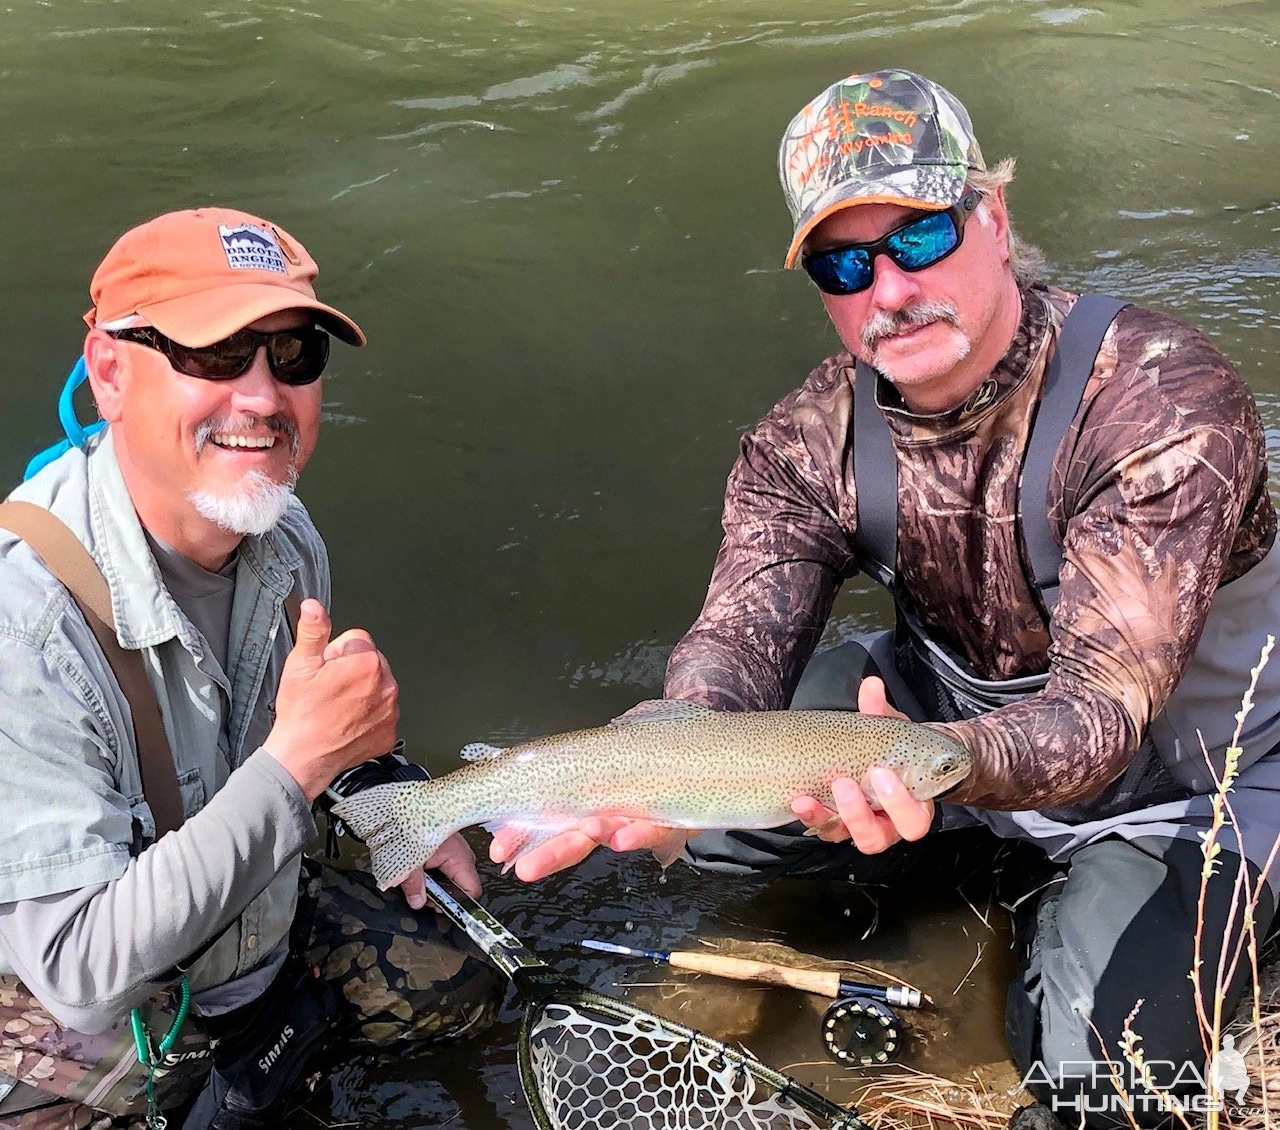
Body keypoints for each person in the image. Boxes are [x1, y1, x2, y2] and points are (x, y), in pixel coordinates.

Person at [491, 70, 1280, 1129]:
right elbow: (733, 645)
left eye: (916, 238)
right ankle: (947, 860)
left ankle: (1101, 906)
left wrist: (933, 764)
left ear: (991, 220)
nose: (888, 290)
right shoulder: (802, 441)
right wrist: (656, 756)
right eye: (842, 262)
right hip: (932, 751)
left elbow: (1101, 716)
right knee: (716, 826)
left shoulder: (1154, 399)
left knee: (1096, 1068)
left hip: (1184, 784)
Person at [0, 208, 499, 1128]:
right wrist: (301, 765)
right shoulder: (22, 621)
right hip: (69, 996)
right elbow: (74, 969)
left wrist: (392, 794)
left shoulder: (281, 532)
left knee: (457, 984)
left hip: (239, 929)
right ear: (110, 372)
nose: (265, 398)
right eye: (218, 353)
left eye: (294, 356)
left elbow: (295, 737)